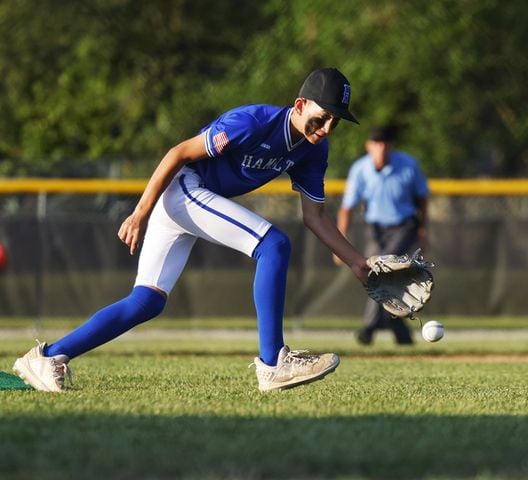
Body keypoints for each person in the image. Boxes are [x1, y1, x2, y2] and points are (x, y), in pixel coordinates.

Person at [13, 67, 371, 392]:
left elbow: (316, 218)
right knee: (273, 245)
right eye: (322, 118)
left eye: (334, 123)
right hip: (184, 189)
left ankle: (48, 356)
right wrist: (140, 212)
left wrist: (357, 262)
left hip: (196, 201)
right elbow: (178, 153)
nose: (326, 129)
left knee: (146, 301)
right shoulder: (252, 122)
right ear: (299, 104)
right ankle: (274, 362)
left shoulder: (312, 151)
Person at [334, 126, 429, 345]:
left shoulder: (408, 164)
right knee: (376, 276)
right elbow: (346, 208)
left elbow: (422, 199)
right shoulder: (360, 169)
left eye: (385, 143)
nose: (381, 148)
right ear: (368, 146)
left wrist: (424, 230)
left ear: (392, 146)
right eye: (376, 143)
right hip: (374, 229)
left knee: (382, 271)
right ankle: (398, 326)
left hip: (404, 227)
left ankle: (369, 327)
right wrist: (338, 244)